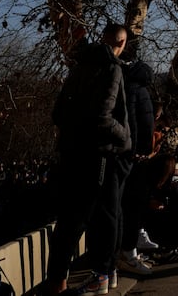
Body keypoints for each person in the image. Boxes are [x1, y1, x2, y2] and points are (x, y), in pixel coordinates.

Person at [48, 22, 133, 295]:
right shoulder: (112, 68)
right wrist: (125, 137)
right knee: (101, 216)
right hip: (98, 154)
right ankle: (103, 275)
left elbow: (58, 113)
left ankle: (61, 281)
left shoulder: (79, 66)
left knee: (71, 220)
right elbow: (103, 117)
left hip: (71, 151)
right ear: (120, 44)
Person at [117, 56, 158, 273]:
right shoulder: (141, 90)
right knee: (133, 205)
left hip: (130, 157)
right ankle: (128, 253)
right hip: (138, 158)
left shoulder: (128, 88)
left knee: (128, 205)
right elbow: (141, 123)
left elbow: (131, 123)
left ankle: (126, 253)